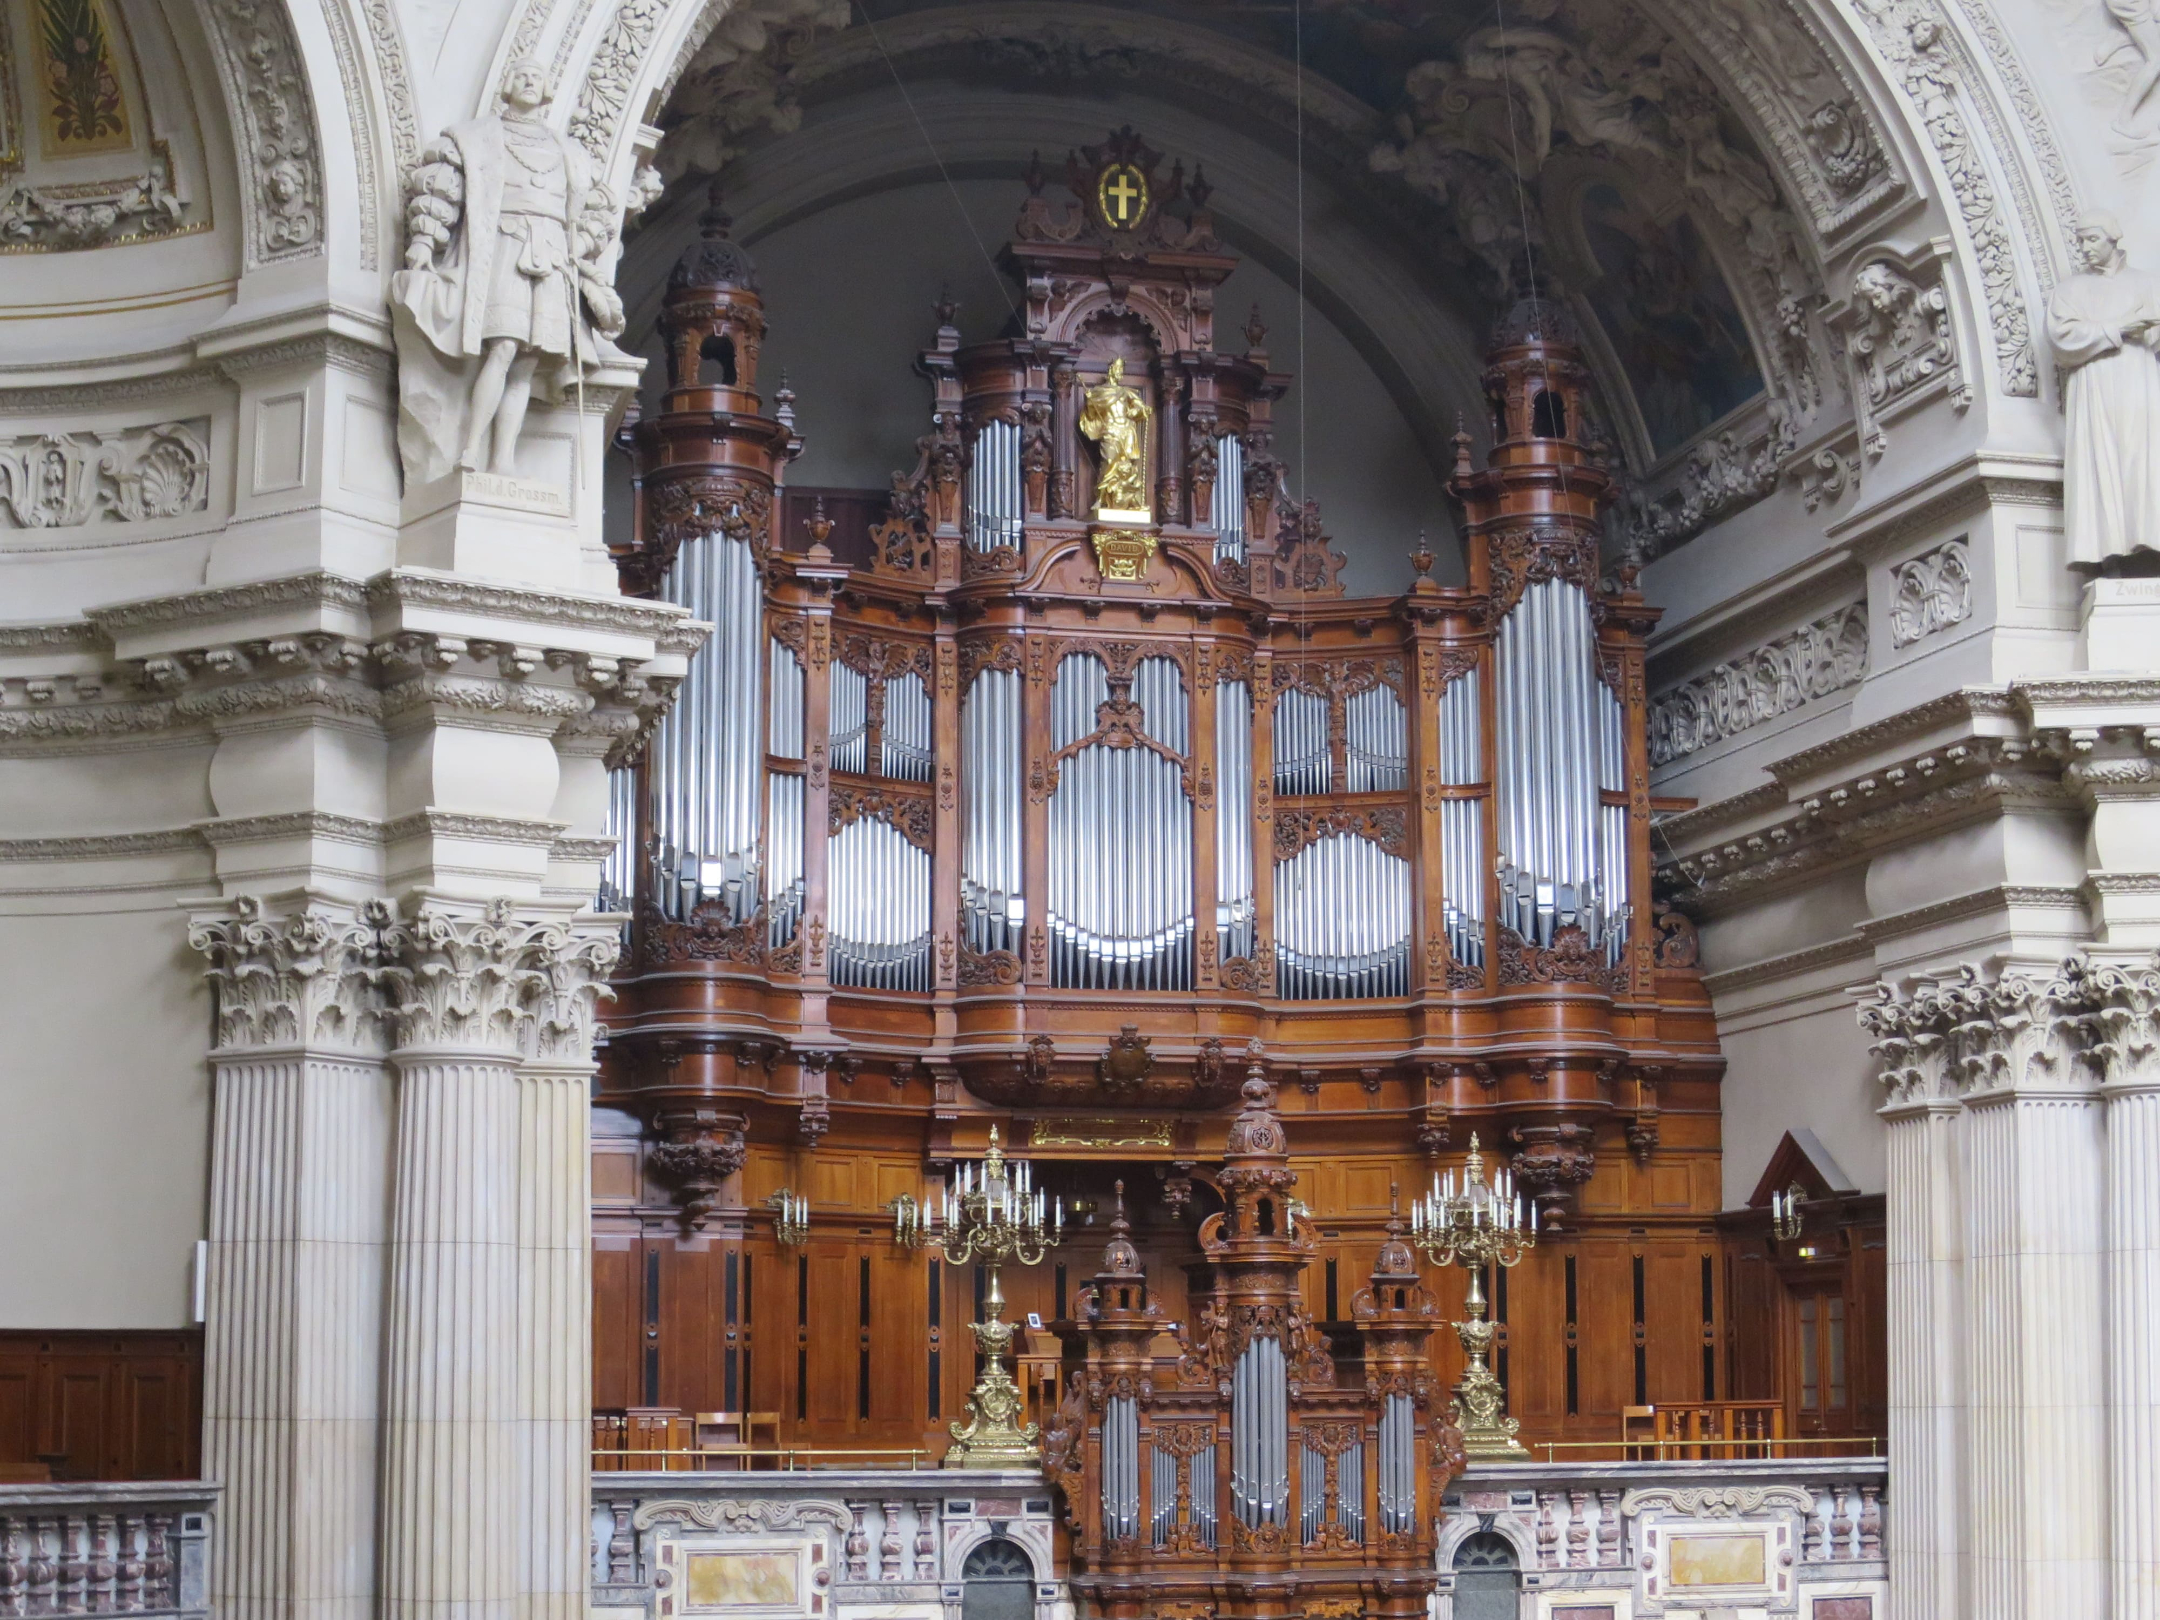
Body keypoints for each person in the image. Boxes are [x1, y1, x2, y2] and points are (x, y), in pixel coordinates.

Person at [390, 58, 627, 483]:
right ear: (507, 86)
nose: (530, 81)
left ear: (548, 90)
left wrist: (582, 242)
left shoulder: (570, 152)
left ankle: (502, 460)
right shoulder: (475, 138)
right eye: (521, 75)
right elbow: (443, 189)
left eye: (537, 76)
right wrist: (424, 241)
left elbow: (599, 211)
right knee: (502, 347)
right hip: (504, 246)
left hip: (552, 255)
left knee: (526, 365)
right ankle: (469, 449)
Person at [2045, 212, 2160, 568]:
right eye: (2080, 240)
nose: (2085, 248)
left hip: (2139, 383)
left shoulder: (2148, 284)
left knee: (2142, 458)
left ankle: (2149, 548)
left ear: (2113, 237)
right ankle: (2108, 558)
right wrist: (2117, 328)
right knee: (2100, 463)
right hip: (2094, 386)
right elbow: (2062, 340)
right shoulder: (2069, 291)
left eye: (2092, 239)